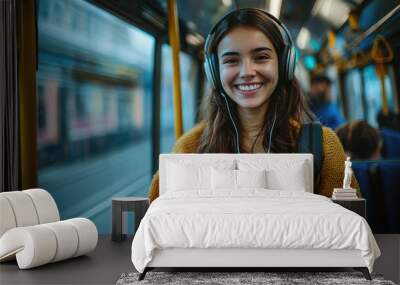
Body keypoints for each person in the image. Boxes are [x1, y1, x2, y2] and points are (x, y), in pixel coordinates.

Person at [148, 8, 359, 202]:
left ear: (284, 64)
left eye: (261, 57)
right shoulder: (189, 149)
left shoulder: (324, 147)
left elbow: (349, 229)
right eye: (231, 60)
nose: (247, 72)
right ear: (214, 73)